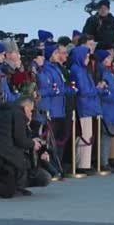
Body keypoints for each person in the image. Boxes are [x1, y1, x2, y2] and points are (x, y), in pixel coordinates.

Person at [0, 98, 51, 198]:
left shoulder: (1, 113)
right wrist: (33, 144)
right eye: (31, 111)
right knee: (8, 191)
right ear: (25, 108)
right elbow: (20, 140)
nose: (32, 114)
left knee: (9, 185)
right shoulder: (18, 114)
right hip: (1, 155)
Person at [70, 46, 105, 173]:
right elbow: (84, 90)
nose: (88, 59)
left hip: (88, 105)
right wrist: (98, 89)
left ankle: (85, 163)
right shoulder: (78, 70)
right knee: (85, 136)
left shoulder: (83, 69)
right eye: (86, 56)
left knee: (87, 135)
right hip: (84, 105)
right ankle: (82, 164)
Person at [37, 44, 71, 177]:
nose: (59, 56)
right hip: (52, 109)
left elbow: (59, 87)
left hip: (59, 108)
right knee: (51, 141)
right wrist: (56, 90)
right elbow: (49, 88)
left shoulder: (57, 68)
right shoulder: (46, 69)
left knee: (58, 141)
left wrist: (65, 90)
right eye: (56, 53)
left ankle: (58, 166)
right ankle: (53, 168)